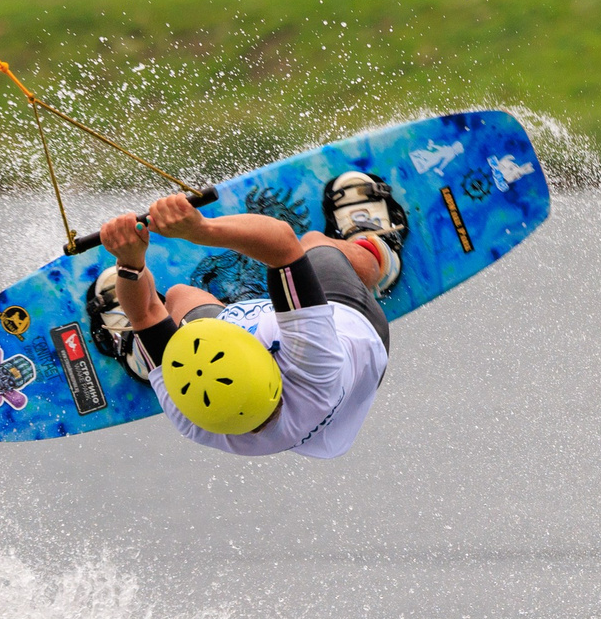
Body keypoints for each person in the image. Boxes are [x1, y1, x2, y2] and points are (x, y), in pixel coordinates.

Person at [97, 191, 393, 459]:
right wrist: (199, 229)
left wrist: (130, 264)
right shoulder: (312, 367)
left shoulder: (190, 410)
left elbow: (146, 314)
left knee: (178, 296)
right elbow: (283, 244)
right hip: (358, 337)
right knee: (314, 242)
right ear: (264, 355)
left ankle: (142, 357)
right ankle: (379, 252)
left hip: (299, 400)